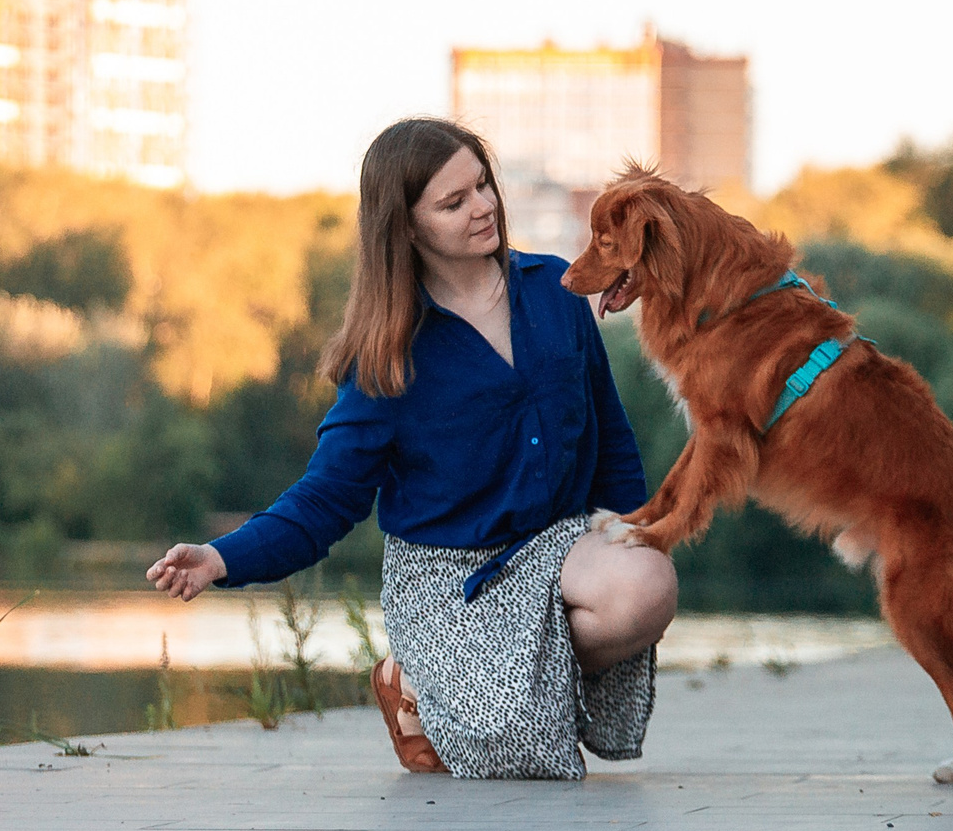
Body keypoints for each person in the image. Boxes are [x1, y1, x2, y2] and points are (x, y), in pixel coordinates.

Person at [147, 117, 676, 778]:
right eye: (454, 202)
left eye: (482, 185)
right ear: (407, 227)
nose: (483, 206)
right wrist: (222, 558)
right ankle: (424, 679)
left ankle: (448, 692)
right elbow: (325, 500)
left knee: (648, 584)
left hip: (556, 548)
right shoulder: (388, 357)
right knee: (512, 751)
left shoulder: (555, 290)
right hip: (446, 578)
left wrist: (639, 526)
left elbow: (612, 440)